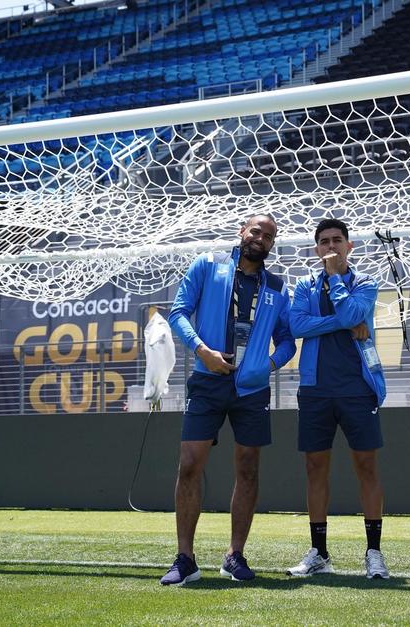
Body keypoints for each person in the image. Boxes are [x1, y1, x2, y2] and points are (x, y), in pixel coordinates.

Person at [161, 214, 296, 586]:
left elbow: (287, 341)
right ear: (242, 232)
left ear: (272, 244)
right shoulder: (208, 264)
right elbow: (178, 313)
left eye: (268, 236)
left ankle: (234, 555)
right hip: (207, 381)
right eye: (256, 231)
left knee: (248, 467)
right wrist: (201, 351)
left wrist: (267, 365)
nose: (260, 238)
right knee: (190, 464)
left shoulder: (277, 286)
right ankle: (185, 559)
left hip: (251, 390)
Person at [285, 218, 389, 580]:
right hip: (315, 390)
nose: (331, 246)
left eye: (337, 240)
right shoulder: (304, 285)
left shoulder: (366, 283)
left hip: (358, 389)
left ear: (349, 246)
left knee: (366, 467)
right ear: (316, 249)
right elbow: (297, 326)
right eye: (325, 241)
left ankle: (374, 552)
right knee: (315, 468)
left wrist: (335, 282)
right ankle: (319, 553)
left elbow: (351, 312)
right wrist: (342, 323)